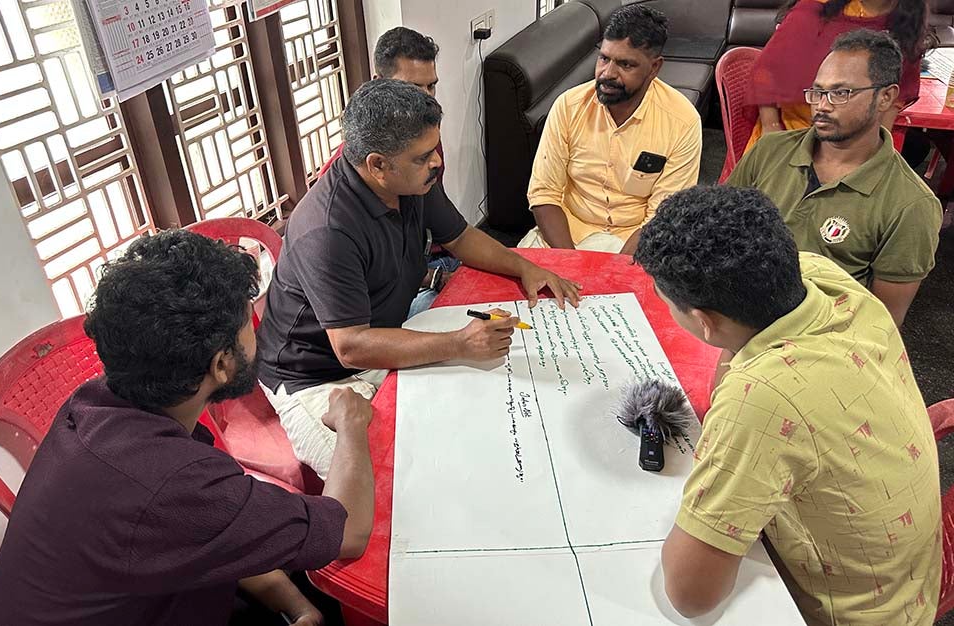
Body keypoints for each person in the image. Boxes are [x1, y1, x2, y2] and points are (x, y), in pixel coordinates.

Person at [0, 230, 375, 626]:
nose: (256, 331)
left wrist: (294, 605)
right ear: (221, 364)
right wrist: (350, 424)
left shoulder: (93, 402)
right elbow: (350, 532)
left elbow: (211, 530)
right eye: (248, 326)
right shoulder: (170, 481)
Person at [634, 185, 941, 625]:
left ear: (703, 322)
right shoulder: (821, 278)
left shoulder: (762, 398)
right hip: (905, 576)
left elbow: (690, 595)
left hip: (860, 615)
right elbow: (737, 359)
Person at [258, 79, 581, 478]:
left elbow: (460, 237)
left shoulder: (412, 182)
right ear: (378, 165)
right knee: (377, 485)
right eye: (423, 156)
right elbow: (352, 347)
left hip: (385, 333)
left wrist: (523, 266)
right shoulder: (327, 231)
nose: (437, 163)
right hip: (314, 376)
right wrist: (458, 344)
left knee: (476, 409)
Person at [728, 29, 941, 327]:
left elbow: (883, 322)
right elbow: (721, 228)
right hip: (735, 315)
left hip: (820, 343)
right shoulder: (769, 150)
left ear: (886, 97)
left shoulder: (911, 204)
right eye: (817, 91)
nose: (822, 106)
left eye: (841, 93)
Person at [519, 5, 702, 253]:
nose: (608, 74)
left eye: (626, 65)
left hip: (634, 241)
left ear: (654, 67)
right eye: (604, 58)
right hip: (565, 235)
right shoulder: (568, 106)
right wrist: (571, 262)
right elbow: (544, 194)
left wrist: (612, 274)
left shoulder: (682, 120)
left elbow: (664, 214)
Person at [316, 26, 454, 315]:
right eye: (414, 89)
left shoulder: (422, 139)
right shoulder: (335, 210)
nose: (428, 99)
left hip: (426, 263)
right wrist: (434, 279)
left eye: (431, 87)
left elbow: (457, 231)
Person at [745, 0, 929, 152]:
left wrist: (877, 152)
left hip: (853, 137)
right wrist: (772, 129)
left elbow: (895, 98)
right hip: (791, 131)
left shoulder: (909, 22)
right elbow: (768, 71)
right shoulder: (817, 8)